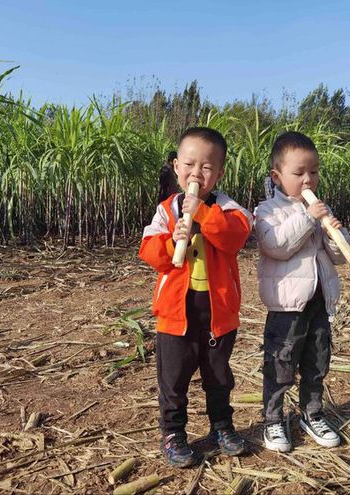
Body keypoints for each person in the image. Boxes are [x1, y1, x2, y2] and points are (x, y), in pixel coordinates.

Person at [139, 127, 252, 467]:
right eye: (189, 164)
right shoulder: (166, 211)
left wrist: (202, 212)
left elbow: (235, 238)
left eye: (207, 167)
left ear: (219, 172)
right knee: (173, 379)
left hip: (218, 313)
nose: (197, 173)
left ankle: (222, 426)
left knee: (218, 376)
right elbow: (149, 251)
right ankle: (174, 434)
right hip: (176, 313)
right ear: (176, 167)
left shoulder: (230, 209)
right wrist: (173, 241)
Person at [254, 131, 350, 453]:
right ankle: (273, 420)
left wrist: (335, 231)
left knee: (316, 361)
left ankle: (312, 413)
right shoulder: (267, 211)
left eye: (313, 171)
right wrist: (308, 218)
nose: (308, 180)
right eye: (299, 173)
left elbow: (340, 255)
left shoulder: (320, 210)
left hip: (319, 301)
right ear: (277, 176)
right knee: (281, 363)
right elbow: (277, 245)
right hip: (286, 306)